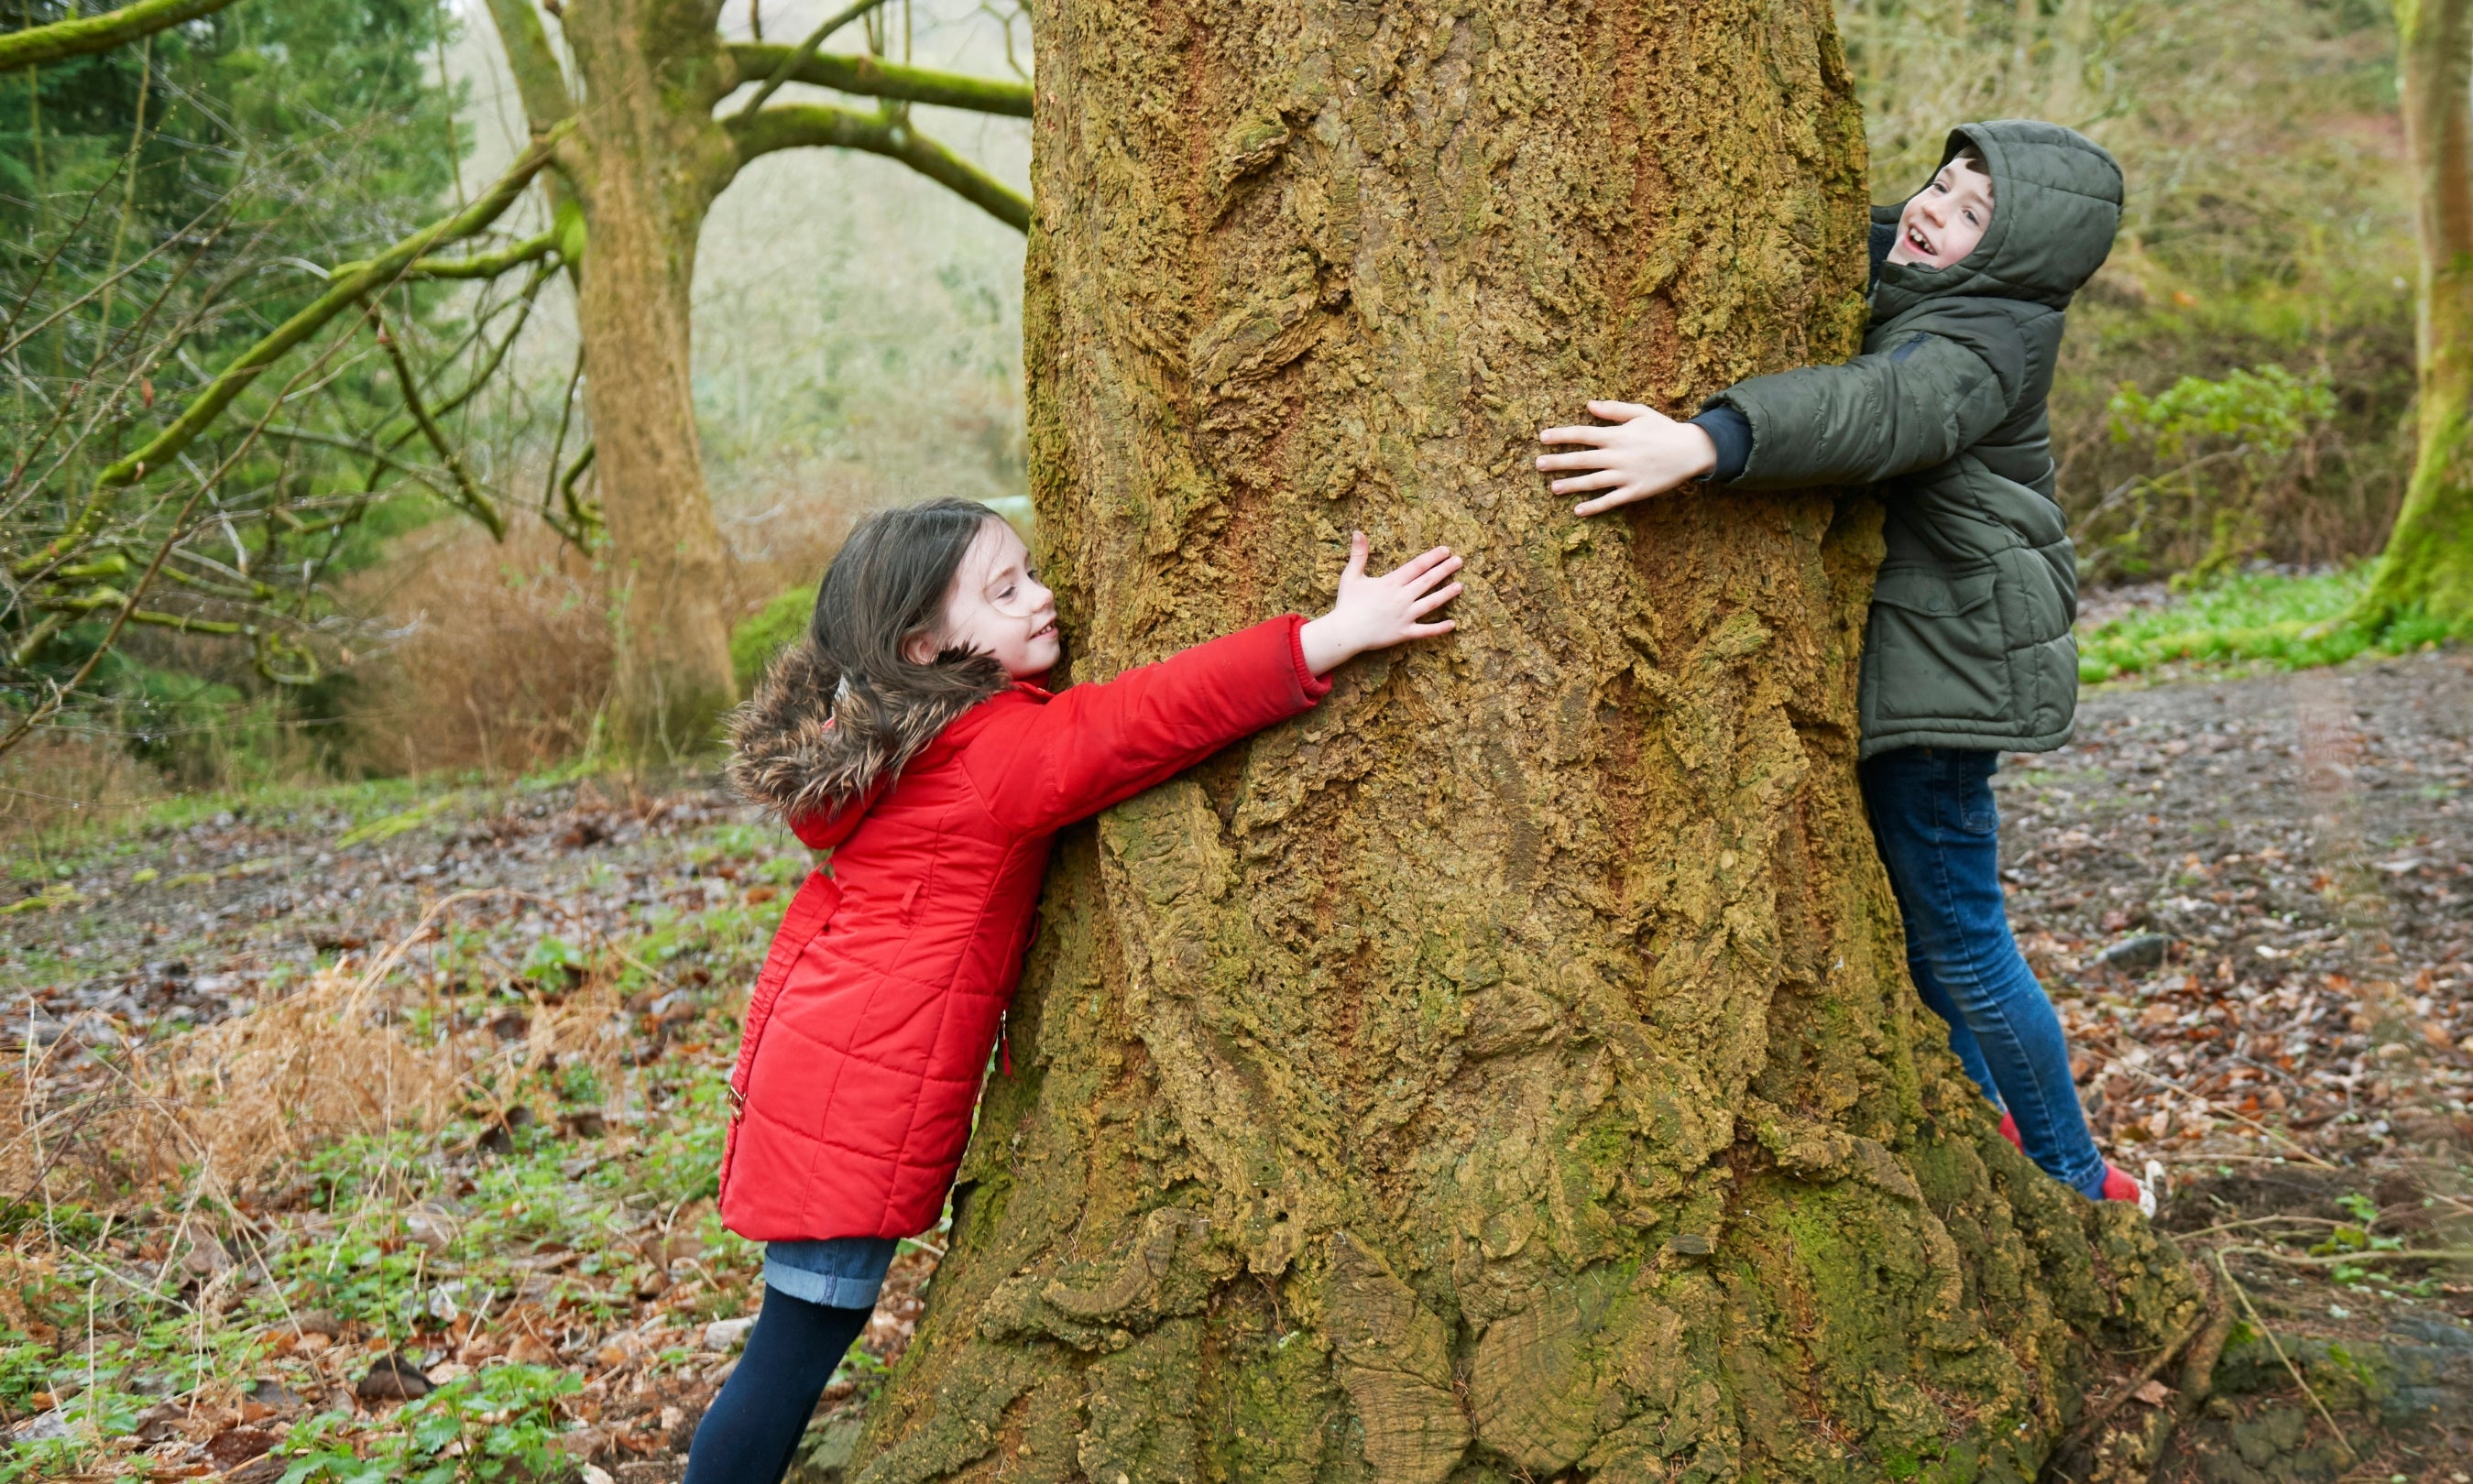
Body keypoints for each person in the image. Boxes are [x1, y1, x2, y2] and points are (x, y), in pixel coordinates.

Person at [689, 498, 1465, 1484]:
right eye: (1006, 590)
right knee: (789, 1361)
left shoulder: (901, 740)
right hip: (853, 1097)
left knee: (790, 1347)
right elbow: (1144, 717)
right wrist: (1330, 636)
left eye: (1032, 572)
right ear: (923, 645)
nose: (1044, 597)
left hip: (826, 1064)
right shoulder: (991, 756)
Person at [1534, 121, 2149, 1210]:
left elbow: (1885, 407)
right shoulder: (1937, 289)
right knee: (1926, 930)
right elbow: (1857, 241)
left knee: (1956, 935)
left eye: (1972, 218)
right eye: (1942, 184)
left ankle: (2075, 1175)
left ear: (2014, 261)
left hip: (1947, 679)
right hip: (1929, 656)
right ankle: (1999, 1128)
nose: (1931, 211)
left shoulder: (1984, 343)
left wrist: (1708, 441)